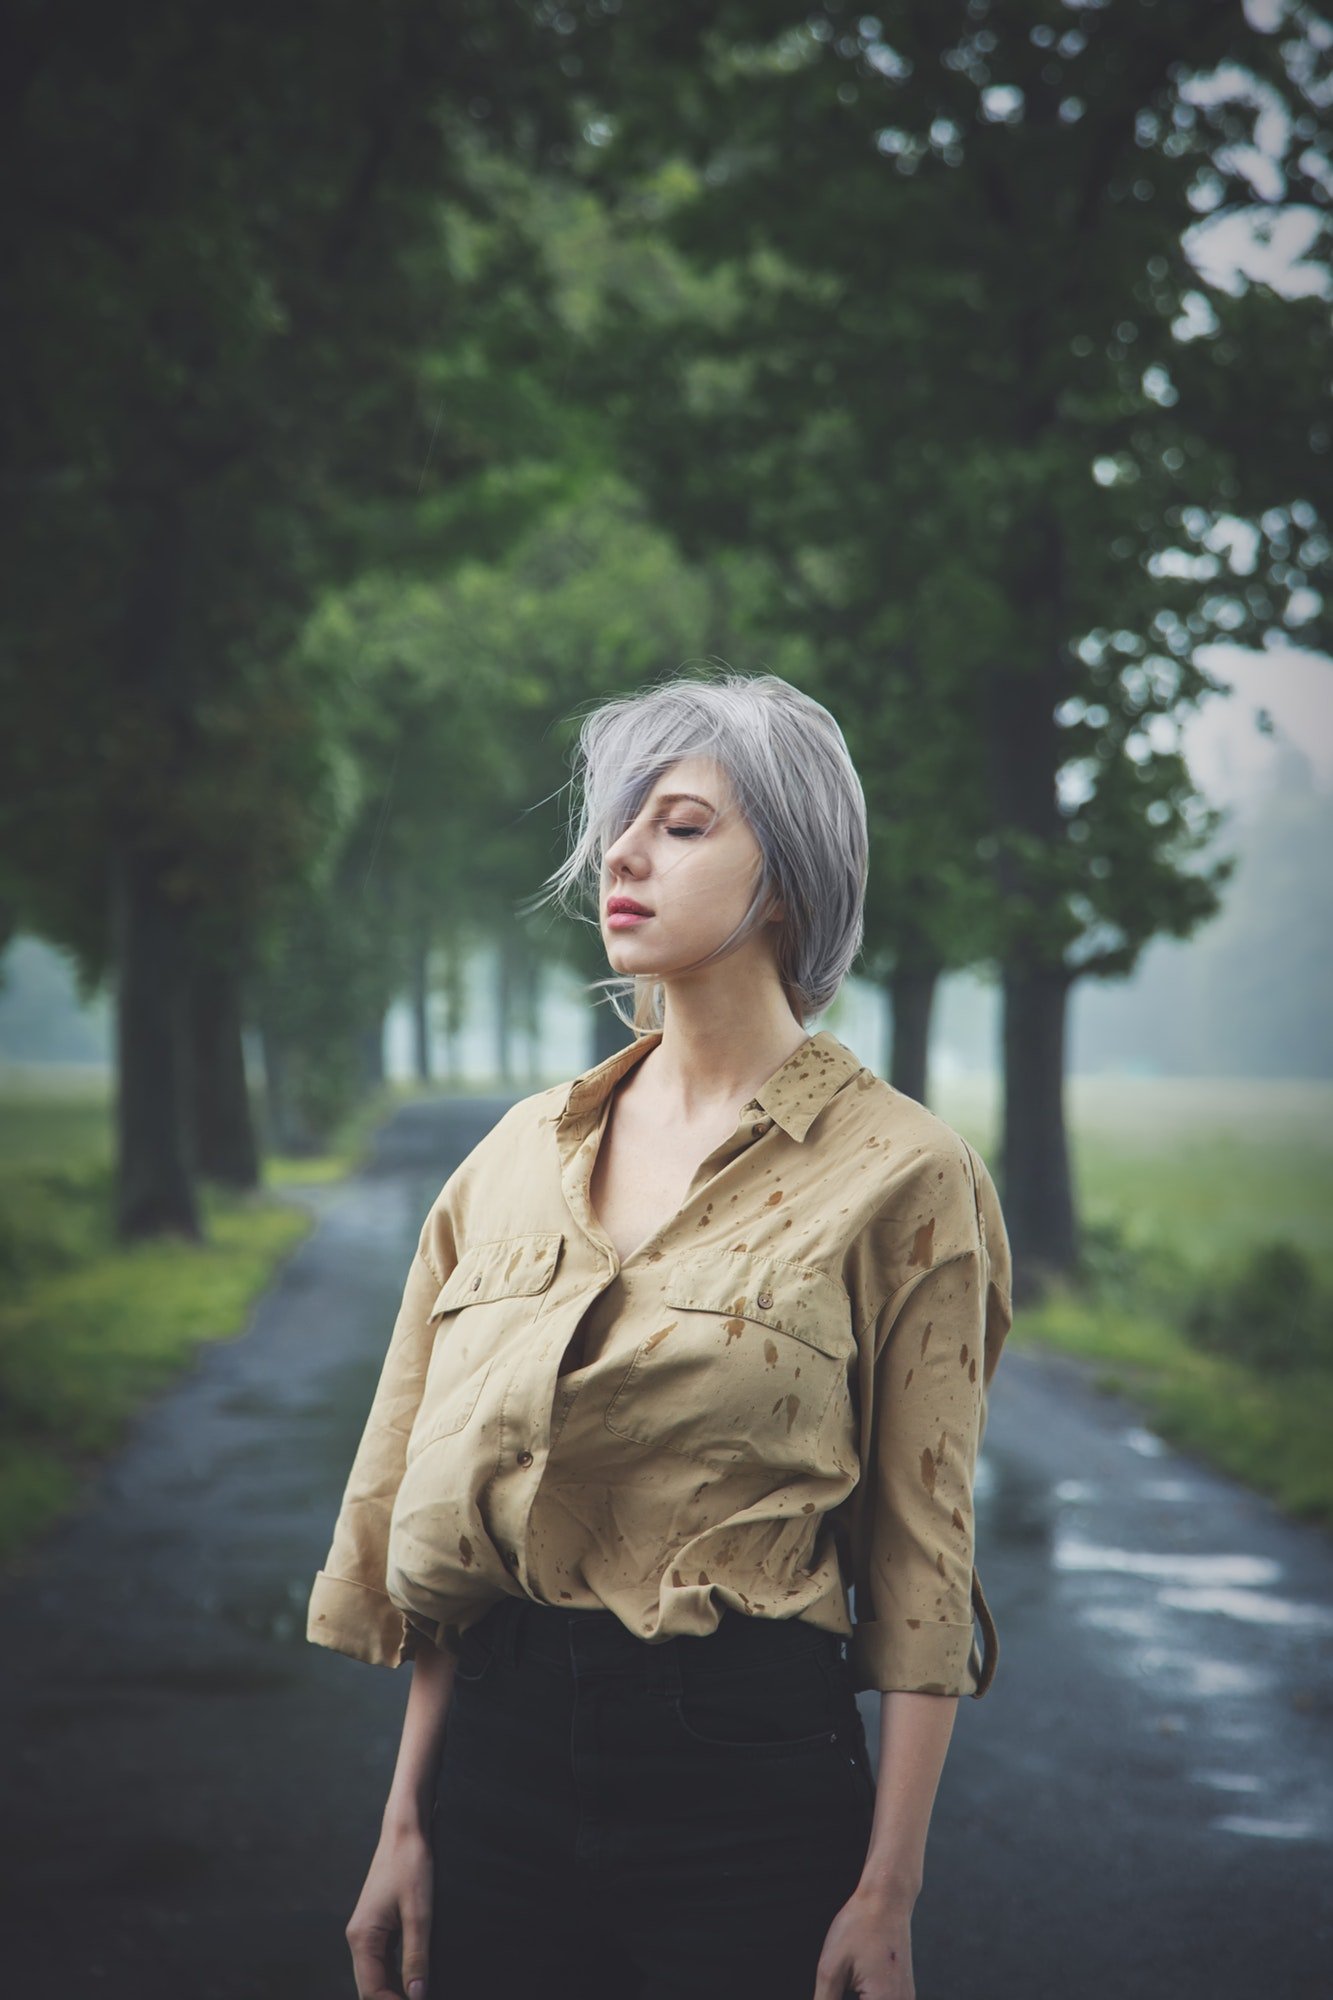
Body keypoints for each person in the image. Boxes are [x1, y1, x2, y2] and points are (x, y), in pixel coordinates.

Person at [306, 668, 1014, 2000]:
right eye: (617, 825)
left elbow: (924, 1563)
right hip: (497, 1774)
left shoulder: (906, 1175)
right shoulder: (514, 1156)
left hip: (747, 1786)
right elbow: (454, 1528)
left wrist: (887, 1891)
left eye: (681, 825)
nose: (620, 856)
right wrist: (404, 1823)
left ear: (786, 880)